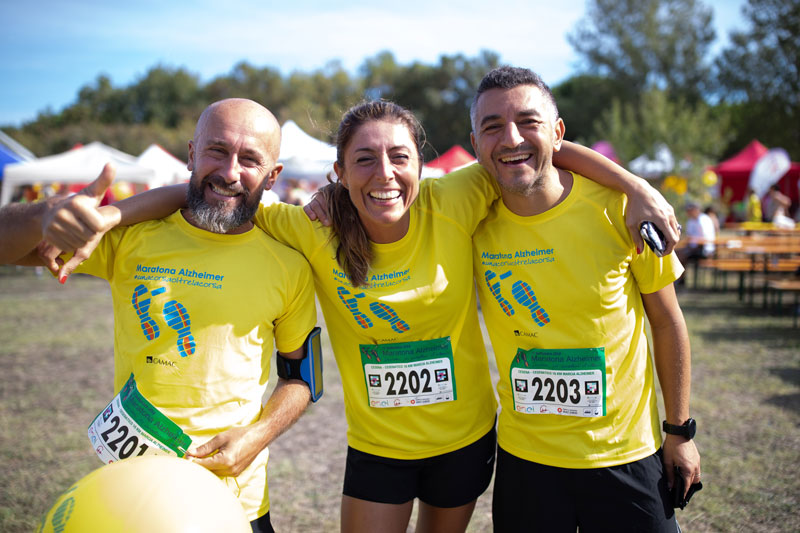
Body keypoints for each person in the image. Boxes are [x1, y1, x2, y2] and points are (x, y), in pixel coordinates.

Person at [36, 100, 678, 533]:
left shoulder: (457, 196)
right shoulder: (306, 225)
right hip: (379, 447)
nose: (385, 174)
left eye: (400, 157)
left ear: (423, 167)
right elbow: (215, 186)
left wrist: (637, 187)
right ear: (337, 173)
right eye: (364, 160)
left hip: (466, 439)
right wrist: (111, 215)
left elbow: (539, 152)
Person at [0, 98, 319, 533]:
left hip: (233, 503)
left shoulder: (290, 266)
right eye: (217, 151)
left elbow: (300, 377)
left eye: (249, 159)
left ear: (273, 175)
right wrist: (44, 214)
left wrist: (257, 437)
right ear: (191, 155)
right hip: (131, 498)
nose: (229, 172)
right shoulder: (130, 238)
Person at [468, 66, 700, 532]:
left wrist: (680, 432)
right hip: (525, 462)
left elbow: (668, 321)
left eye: (528, 122)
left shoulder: (622, 210)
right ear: (475, 144)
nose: (511, 138)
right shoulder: (469, 218)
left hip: (626, 458)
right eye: (492, 126)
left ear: (557, 133)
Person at [678, 201, 716, 267]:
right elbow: (689, 237)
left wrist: (691, 245)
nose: (688, 212)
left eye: (690, 210)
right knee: (677, 253)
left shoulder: (704, 220)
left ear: (696, 210)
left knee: (680, 256)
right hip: (694, 248)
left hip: (704, 249)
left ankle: (680, 277)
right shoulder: (691, 221)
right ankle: (681, 277)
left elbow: (704, 239)